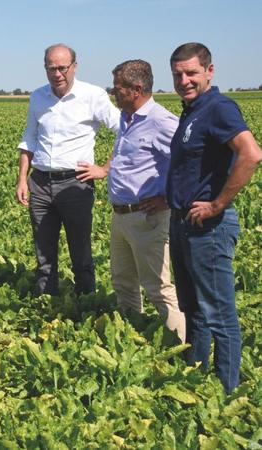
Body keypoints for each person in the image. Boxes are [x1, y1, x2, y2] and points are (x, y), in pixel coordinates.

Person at [167, 42, 262, 393]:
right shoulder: (192, 110)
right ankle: (195, 378)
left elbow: (251, 154)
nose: (184, 80)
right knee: (193, 307)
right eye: (178, 74)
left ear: (210, 71)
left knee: (219, 314)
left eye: (191, 72)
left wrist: (217, 204)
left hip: (208, 227)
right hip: (183, 224)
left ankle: (227, 394)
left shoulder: (219, 107)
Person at [78, 60, 185, 342]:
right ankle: (132, 334)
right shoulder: (127, 118)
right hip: (121, 215)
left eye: (118, 89)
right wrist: (104, 168)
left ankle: (185, 351)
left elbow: (189, 164)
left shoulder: (161, 122)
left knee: (158, 287)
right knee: (123, 282)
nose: (113, 94)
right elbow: (124, 156)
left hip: (147, 217)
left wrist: (168, 198)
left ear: (136, 89)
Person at [16, 43, 120, 296]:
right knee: (43, 253)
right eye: (51, 68)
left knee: (81, 251)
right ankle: (45, 302)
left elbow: (125, 130)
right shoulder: (38, 97)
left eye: (63, 67)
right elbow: (30, 138)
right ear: (45, 69)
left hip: (75, 184)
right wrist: (22, 179)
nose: (57, 73)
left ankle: (86, 303)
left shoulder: (93, 95)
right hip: (39, 183)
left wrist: (105, 168)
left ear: (75, 66)